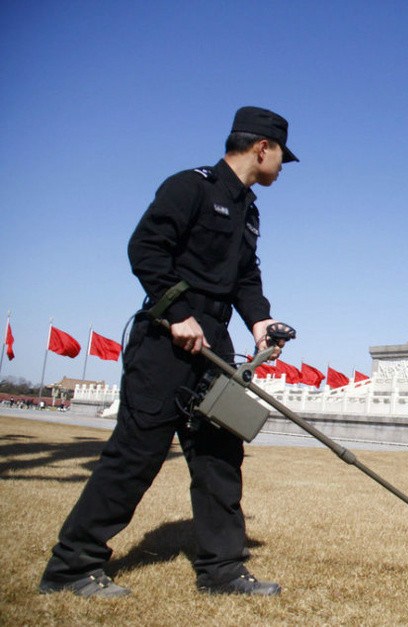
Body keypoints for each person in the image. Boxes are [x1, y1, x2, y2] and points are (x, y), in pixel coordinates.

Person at [39, 106, 299, 597]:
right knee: (134, 456)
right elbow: (146, 248)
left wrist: (260, 321)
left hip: (215, 343)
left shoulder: (249, 208)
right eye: (282, 155)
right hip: (166, 341)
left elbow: (245, 277)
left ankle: (222, 571)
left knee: (220, 458)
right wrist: (176, 313)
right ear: (262, 148)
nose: (283, 165)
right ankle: (71, 568)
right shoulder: (190, 186)